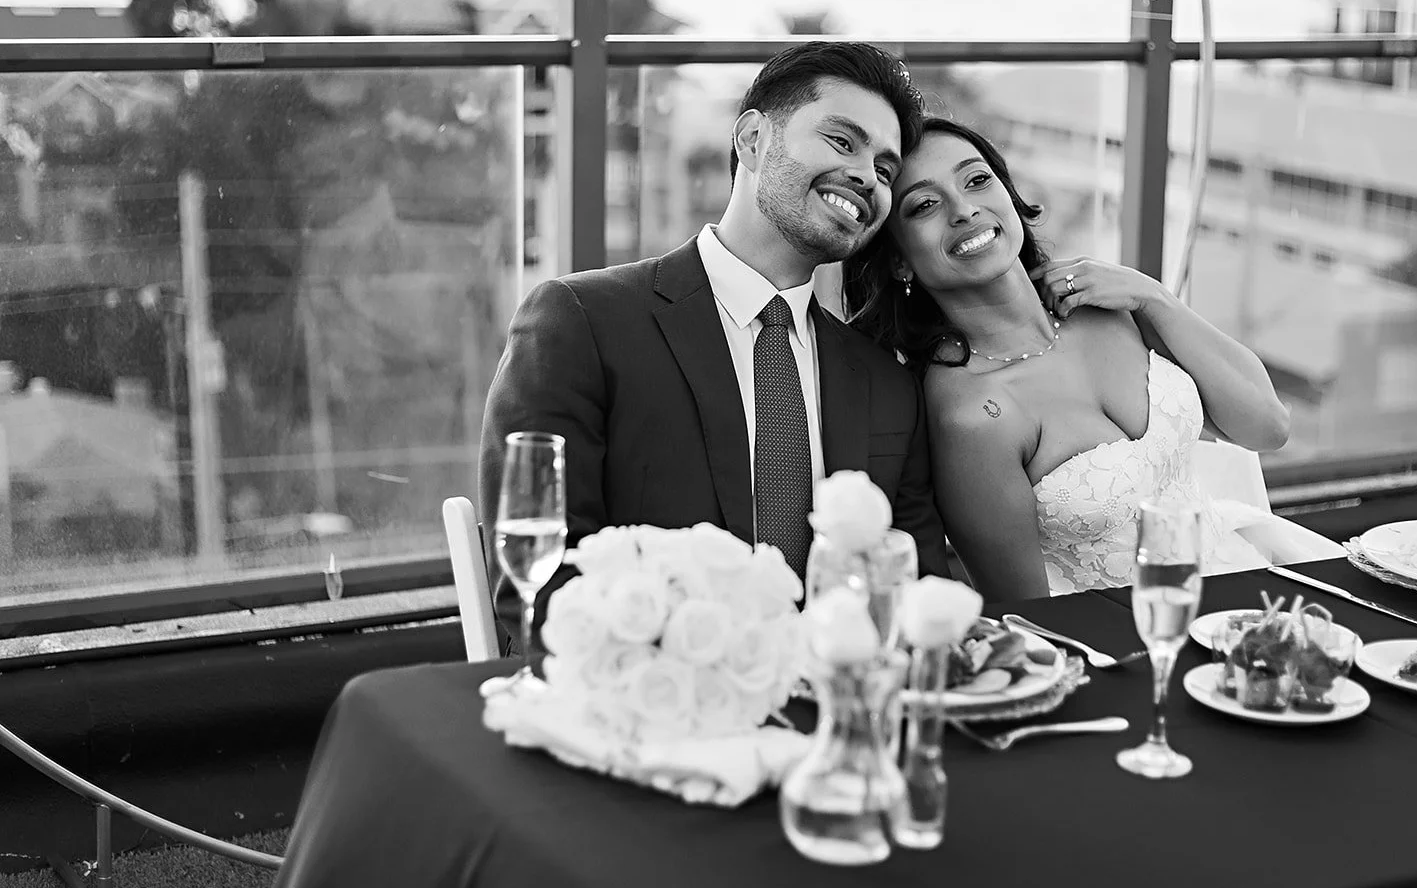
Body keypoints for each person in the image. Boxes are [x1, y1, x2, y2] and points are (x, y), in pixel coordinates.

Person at [480, 41, 949, 649]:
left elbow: (920, 596)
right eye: (842, 142)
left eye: (886, 171)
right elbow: (540, 587)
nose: (866, 177)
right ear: (753, 139)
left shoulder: (885, 383)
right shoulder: (582, 322)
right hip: (659, 712)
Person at [842, 117, 1294, 601]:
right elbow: (1029, 614)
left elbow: (1267, 427)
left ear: (1009, 195)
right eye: (925, 205)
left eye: (977, 180)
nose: (964, 210)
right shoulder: (973, 414)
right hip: (1136, 649)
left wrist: (1155, 297)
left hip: (1252, 586)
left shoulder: (1111, 307)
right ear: (899, 260)